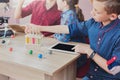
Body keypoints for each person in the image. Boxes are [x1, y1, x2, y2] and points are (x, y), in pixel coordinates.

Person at [25, 0, 120, 80]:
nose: (92, 13)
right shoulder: (93, 23)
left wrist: (89, 51)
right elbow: (68, 29)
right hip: (92, 75)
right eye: (93, 9)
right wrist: (40, 28)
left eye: (97, 11)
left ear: (112, 16)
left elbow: (114, 69)